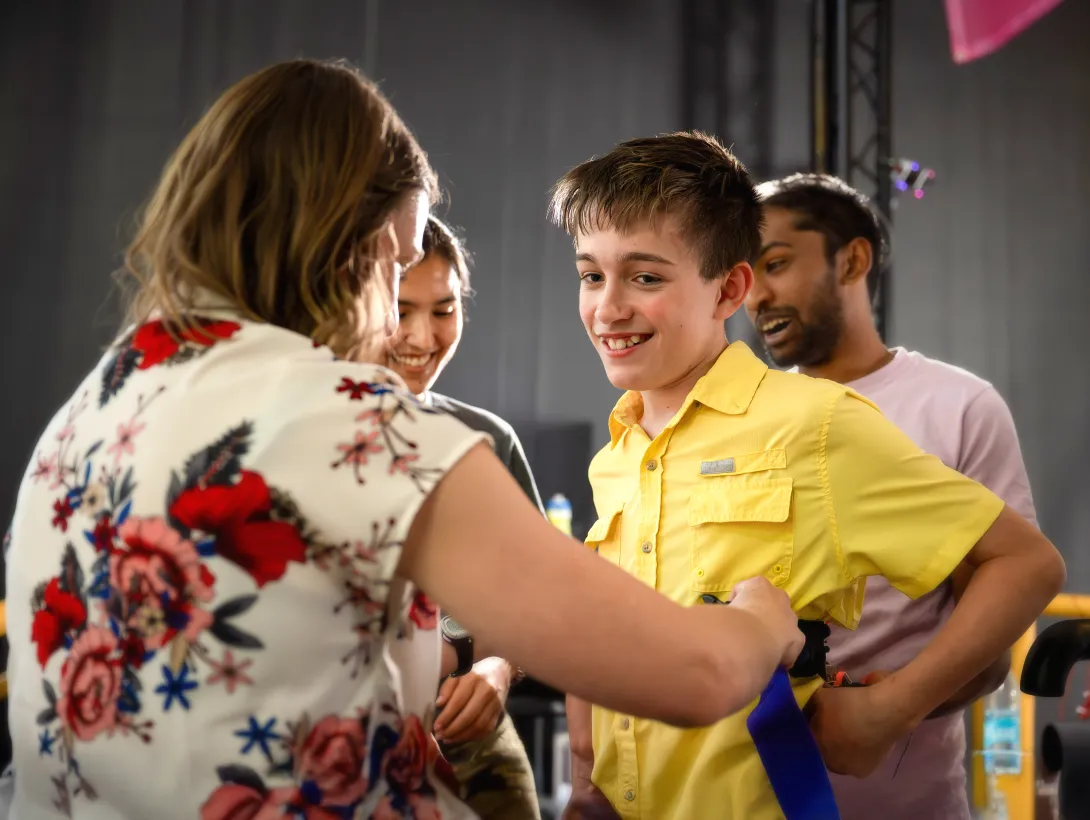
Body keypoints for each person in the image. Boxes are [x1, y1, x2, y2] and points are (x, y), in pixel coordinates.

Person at [2, 60, 808, 820]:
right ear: (356, 247)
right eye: (398, 265)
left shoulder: (102, 399)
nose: (396, 319)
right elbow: (695, 674)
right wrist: (762, 619)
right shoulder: (359, 426)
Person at [549, 131, 1065, 820]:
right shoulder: (618, 450)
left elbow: (1025, 564)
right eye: (591, 275)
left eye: (645, 277)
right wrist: (588, 774)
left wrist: (890, 709)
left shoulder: (815, 425)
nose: (608, 308)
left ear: (729, 287)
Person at [747, 172, 1039, 820]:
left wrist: (889, 708)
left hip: (905, 801)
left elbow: (995, 629)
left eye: (775, 263)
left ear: (852, 259)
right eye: (747, 271)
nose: (756, 294)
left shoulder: (957, 405)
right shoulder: (743, 416)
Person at [385, 214, 542, 820]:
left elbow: (531, 598)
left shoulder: (487, 440)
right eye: (400, 310)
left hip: (464, 736)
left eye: (444, 310)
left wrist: (498, 669)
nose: (422, 337)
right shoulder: (309, 434)